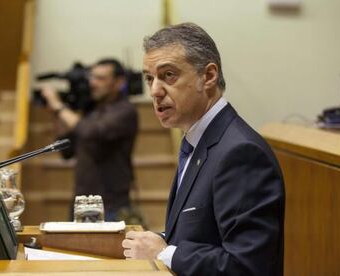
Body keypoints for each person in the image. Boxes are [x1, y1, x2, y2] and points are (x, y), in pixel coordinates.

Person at [122, 23, 285, 275]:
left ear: (208, 76)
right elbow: (201, 234)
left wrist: (163, 253)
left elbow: (247, 266)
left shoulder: (240, 153)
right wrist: (155, 241)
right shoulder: (196, 141)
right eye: (149, 78)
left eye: (168, 75)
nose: (154, 91)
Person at [41, 58, 138, 221]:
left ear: (119, 82)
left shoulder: (125, 111)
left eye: (100, 78)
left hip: (110, 206)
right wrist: (56, 114)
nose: (93, 83)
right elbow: (67, 152)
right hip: (80, 203)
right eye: (92, 77)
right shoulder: (92, 112)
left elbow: (89, 132)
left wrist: (59, 106)